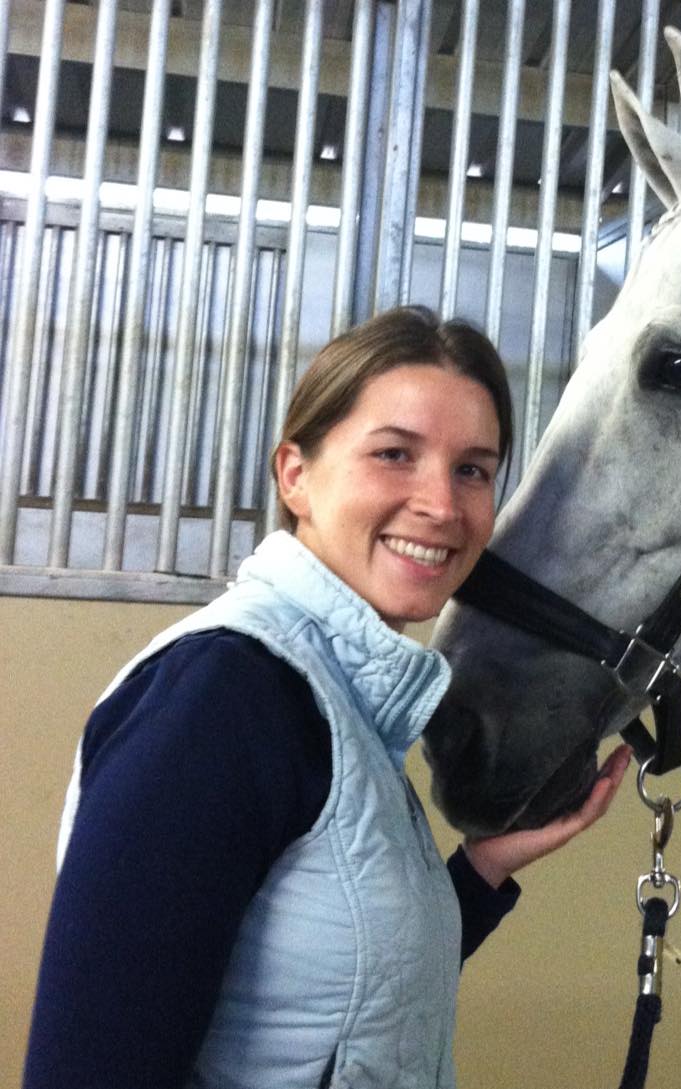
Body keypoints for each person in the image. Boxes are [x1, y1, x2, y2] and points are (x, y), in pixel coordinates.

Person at [23, 305, 631, 1089]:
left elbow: (342, 997)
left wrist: (484, 866)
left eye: (472, 469)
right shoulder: (225, 694)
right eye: (394, 454)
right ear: (296, 475)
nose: (442, 506)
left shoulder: (344, 700)